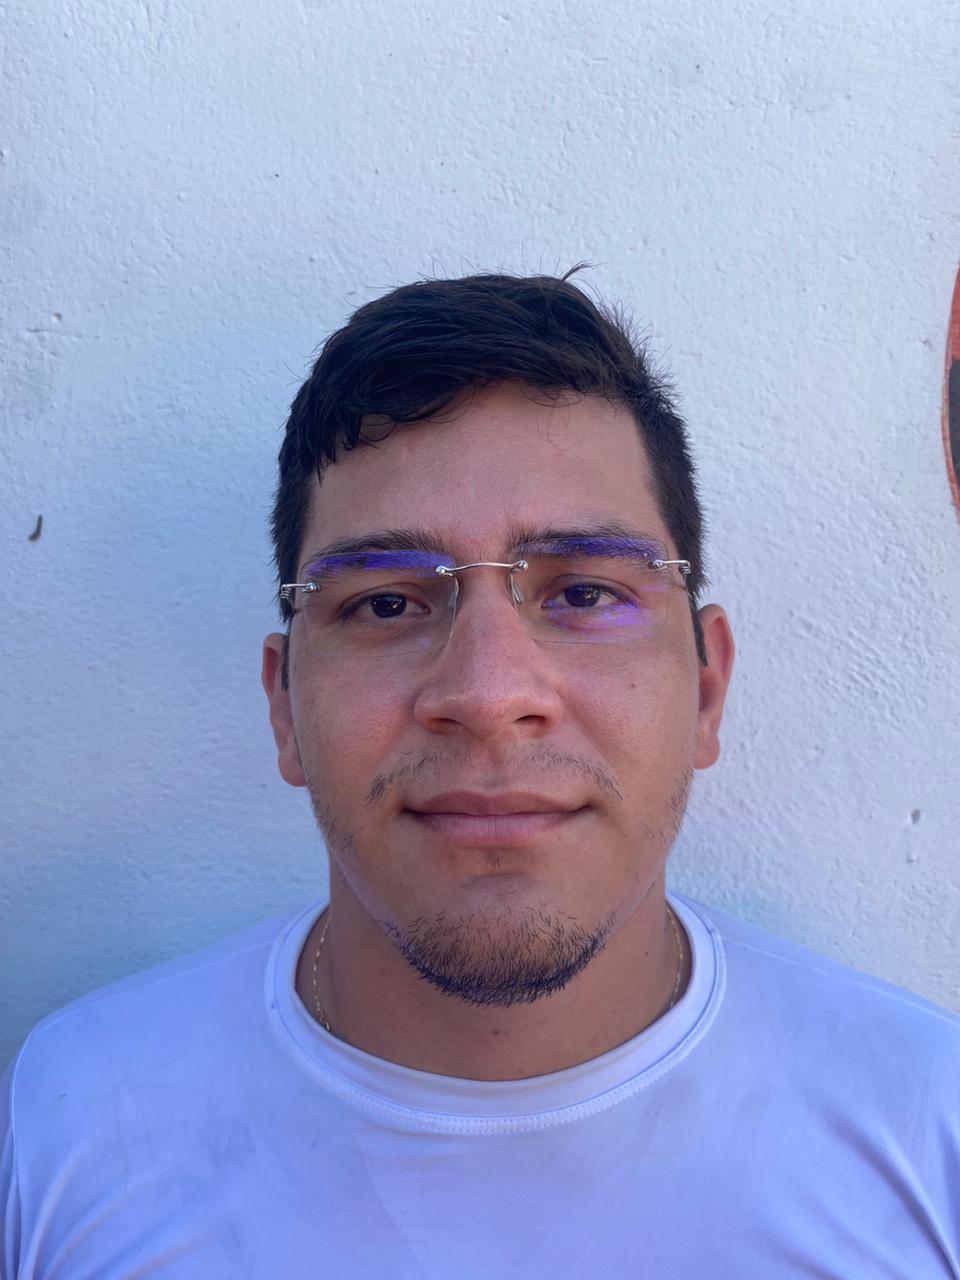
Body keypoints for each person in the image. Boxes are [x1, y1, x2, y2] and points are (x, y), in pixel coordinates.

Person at [2, 266, 958, 1278]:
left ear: (707, 690)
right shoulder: (75, 1119)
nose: (489, 691)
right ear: (284, 706)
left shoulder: (927, 1126)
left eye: (584, 591)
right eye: (385, 602)